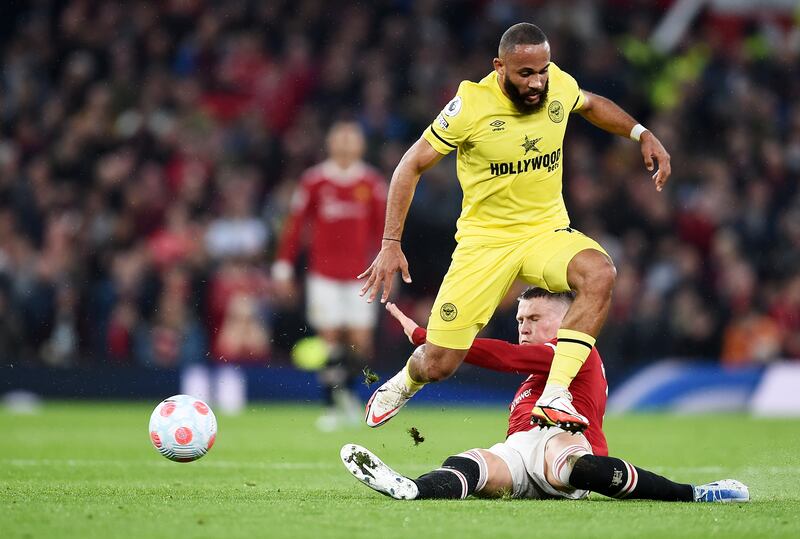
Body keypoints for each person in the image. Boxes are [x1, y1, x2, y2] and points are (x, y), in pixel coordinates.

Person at [359, 23, 671, 431]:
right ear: (499, 67)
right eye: (526, 73)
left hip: (545, 232)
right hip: (485, 245)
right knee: (439, 364)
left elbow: (591, 104)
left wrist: (640, 132)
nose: (538, 82)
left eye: (543, 70)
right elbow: (409, 166)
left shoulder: (556, 84)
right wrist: (390, 242)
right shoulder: (470, 104)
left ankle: (555, 392)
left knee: (599, 272)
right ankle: (404, 381)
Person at [341, 288, 748, 503]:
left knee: (563, 456)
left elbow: (506, 356)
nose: (523, 326)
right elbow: (515, 358)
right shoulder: (534, 381)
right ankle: (413, 489)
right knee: (477, 462)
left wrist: (428, 336)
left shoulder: (577, 351)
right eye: (520, 319)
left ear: (568, 320)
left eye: (534, 318)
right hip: (521, 451)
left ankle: (695, 493)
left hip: (569, 446)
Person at [273, 121, 387, 430]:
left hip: (361, 276)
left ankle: (347, 395)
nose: (347, 145)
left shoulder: (372, 183)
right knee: (330, 339)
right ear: (330, 143)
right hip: (323, 275)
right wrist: (283, 266)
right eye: (341, 139)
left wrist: (386, 268)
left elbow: (385, 232)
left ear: (361, 146)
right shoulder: (314, 181)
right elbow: (295, 225)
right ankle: (333, 405)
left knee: (360, 343)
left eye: (352, 139)